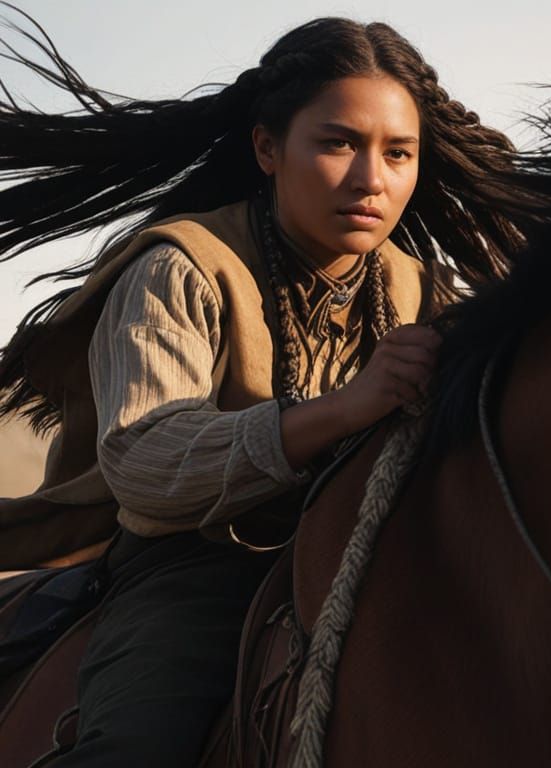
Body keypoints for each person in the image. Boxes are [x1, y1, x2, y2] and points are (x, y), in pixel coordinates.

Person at [0, 10, 524, 765]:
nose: (371, 179)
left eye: (398, 153)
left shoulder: (425, 296)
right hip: (194, 566)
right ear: (268, 148)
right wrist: (346, 408)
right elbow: (145, 464)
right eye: (339, 143)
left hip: (375, 558)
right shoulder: (182, 268)